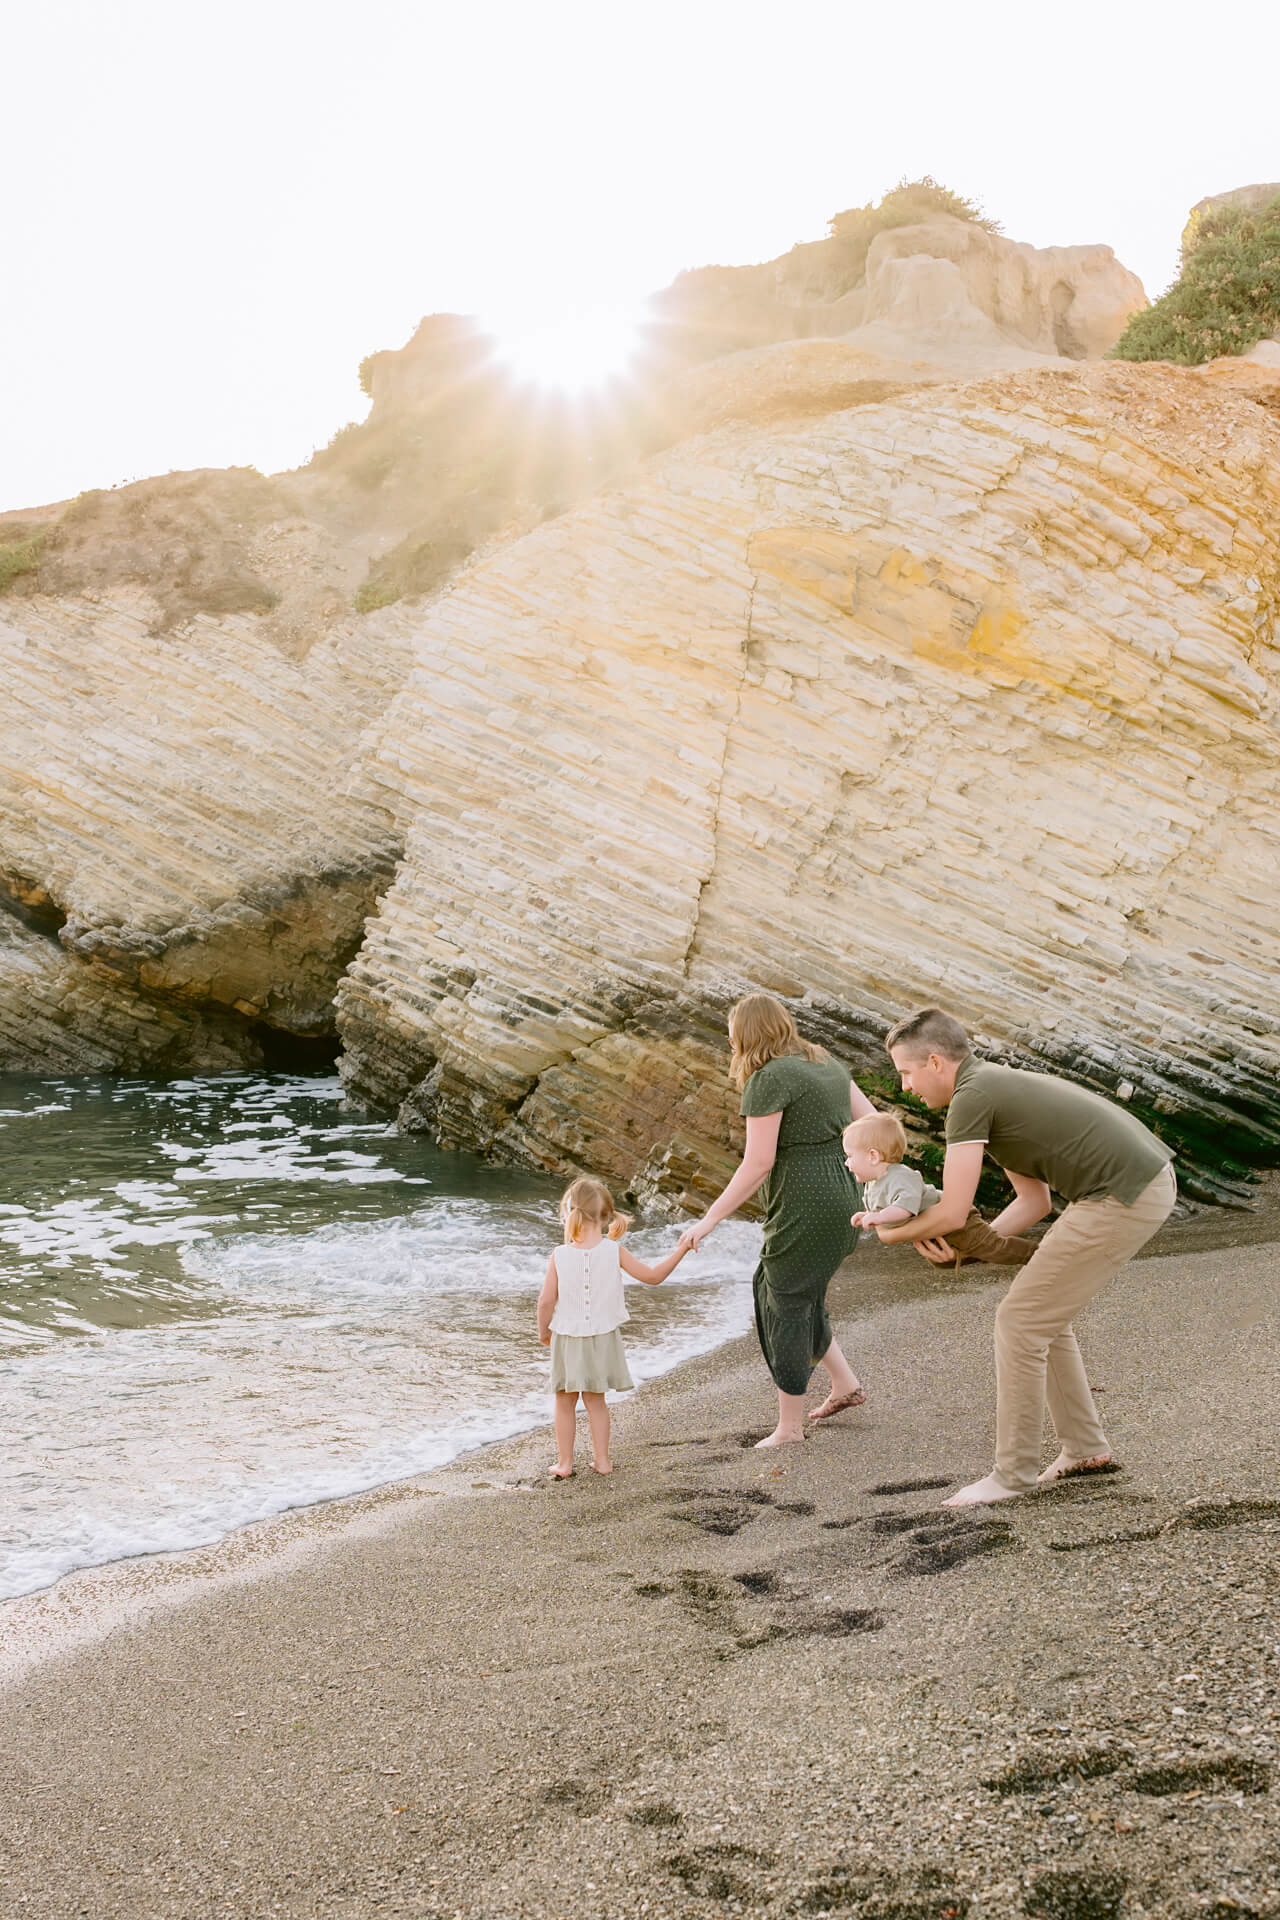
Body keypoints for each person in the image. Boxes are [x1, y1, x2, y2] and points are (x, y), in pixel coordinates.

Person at [878, 1009, 1177, 1508]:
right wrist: (969, 1247)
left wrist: (893, 1235)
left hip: (1121, 1193)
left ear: (934, 1061)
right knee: (1043, 1316)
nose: (904, 1086)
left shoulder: (971, 1098)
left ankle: (1011, 1474)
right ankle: (1083, 1448)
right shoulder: (987, 1087)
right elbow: (1033, 1203)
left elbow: (953, 1209)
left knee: (1019, 1322)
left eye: (905, 1073)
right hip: (1137, 1185)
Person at [675, 992, 875, 1448]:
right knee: (781, 1288)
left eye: (732, 1039)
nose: (731, 1048)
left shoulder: (768, 1078)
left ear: (747, 1036)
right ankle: (845, 1384)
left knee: (784, 1303)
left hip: (805, 1204)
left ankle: (789, 1428)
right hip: (844, 1195)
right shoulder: (826, 1062)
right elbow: (873, 1121)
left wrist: (709, 1220)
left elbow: (758, 1163)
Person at [537, 1176, 690, 1480]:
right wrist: (681, 1249)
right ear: (606, 1215)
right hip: (603, 1338)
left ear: (569, 1213)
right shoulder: (614, 1251)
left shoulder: (559, 1255)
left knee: (564, 1402)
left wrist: (543, 1332)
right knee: (596, 1401)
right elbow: (653, 1276)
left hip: (567, 1337)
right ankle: (602, 1461)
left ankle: (565, 1464)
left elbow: (545, 1301)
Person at [843, 1111, 1035, 1267]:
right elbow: (883, 1207)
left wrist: (877, 1217)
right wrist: (866, 1214)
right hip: (936, 1229)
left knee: (995, 1248)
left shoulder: (900, 1176)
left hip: (960, 1221)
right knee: (945, 1262)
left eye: (850, 1156)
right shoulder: (874, 1182)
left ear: (873, 1156)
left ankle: (1040, 1255)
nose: (846, 1162)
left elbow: (904, 1208)